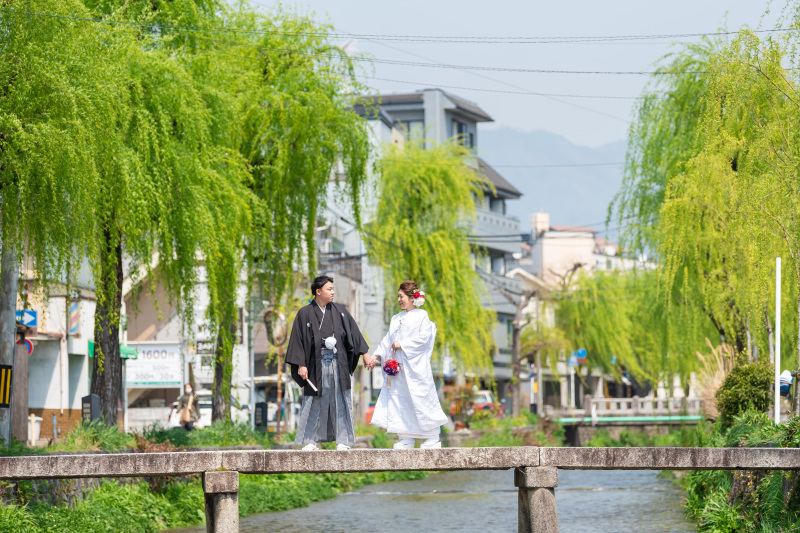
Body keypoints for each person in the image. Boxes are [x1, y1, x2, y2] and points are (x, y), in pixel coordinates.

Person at [285, 275, 372, 450]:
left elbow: (354, 333)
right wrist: (301, 364)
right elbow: (298, 340)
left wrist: (365, 354)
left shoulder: (339, 311)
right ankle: (311, 441)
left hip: (338, 363)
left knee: (340, 400)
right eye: (329, 289)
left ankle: (342, 440)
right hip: (315, 365)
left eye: (333, 289)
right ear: (318, 292)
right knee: (314, 401)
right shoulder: (304, 313)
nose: (333, 292)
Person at [370, 280, 448, 449]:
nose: (399, 299)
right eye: (398, 296)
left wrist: (402, 344)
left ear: (412, 298)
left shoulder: (422, 315)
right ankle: (406, 437)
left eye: (402, 296)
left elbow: (424, 338)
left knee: (421, 399)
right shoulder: (395, 318)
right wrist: (375, 355)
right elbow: (387, 340)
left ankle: (432, 437)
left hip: (416, 368)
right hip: (399, 368)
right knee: (400, 399)